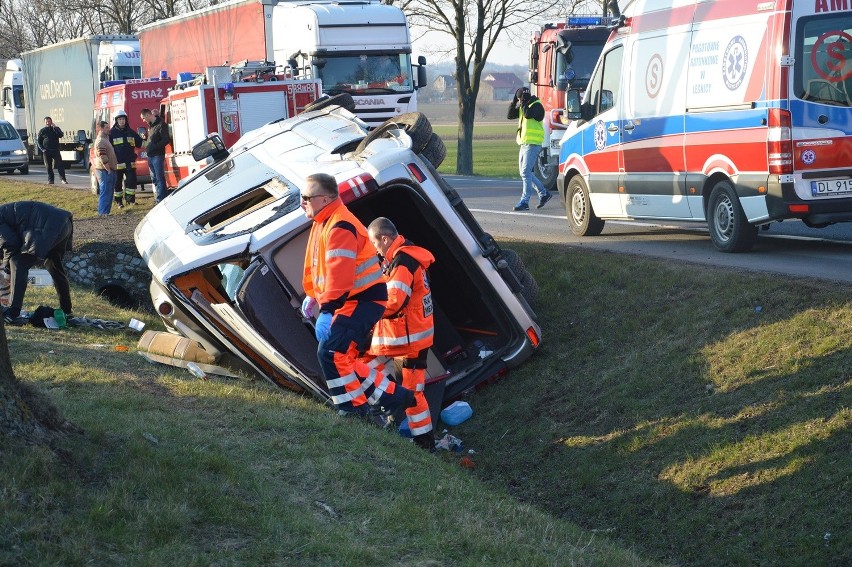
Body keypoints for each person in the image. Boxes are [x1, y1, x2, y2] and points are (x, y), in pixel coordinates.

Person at [300, 173, 416, 419]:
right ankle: (394, 397)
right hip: (356, 300)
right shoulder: (324, 221)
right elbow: (319, 268)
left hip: (363, 301)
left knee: (330, 352)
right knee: (338, 354)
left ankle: (353, 409)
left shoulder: (339, 225)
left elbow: (338, 273)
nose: (302, 202)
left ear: (325, 199)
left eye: (307, 197)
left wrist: (328, 309)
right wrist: (313, 295)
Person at [366, 217, 436, 451]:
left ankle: (424, 444)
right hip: (410, 338)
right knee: (367, 363)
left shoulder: (403, 261)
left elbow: (394, 302)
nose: (374, 249)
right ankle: (394, 412)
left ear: (385, 239)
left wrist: (367, 311)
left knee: (413, 395)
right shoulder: (403, 256)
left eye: (375, 244)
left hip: (410, 341)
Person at [0, 201, 73, 325]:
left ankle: (13, 311)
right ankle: (67, 310)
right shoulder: (4, 212)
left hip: (46, 229)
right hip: (63, 223)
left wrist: (6, 268)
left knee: (17, 263)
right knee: (54, 267)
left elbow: (12, 245)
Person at [507, 87, 552, 211]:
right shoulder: (523, 105)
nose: (520, 100)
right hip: (524, 143)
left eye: (520, 98)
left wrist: (524, 102)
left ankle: (525, 201)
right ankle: (544, 194)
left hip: (533, 143)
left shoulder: (537, 106)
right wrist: (514, 102)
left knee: (525, 172)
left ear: (524, 97)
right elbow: (510, 115)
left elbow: (528, 115)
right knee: (524, 173)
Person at [110, 110, 144, 206]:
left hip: (130, 163)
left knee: (131, 183)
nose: (122, 121)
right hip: (117, 163)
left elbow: (140, 143)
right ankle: (118, 201)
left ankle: (130, 201)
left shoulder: (131, 132)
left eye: (123, 119)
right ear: (116, 121)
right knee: (117, 184)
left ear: (126, 120)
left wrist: (147, 138)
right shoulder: (112, 133)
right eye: (120, 119)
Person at [140, 108, 170, 203]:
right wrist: (146, 139)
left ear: (148, 115)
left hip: (157, 155)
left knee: (159, 177)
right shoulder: (151, 126)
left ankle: (160, 200)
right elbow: (152, 139)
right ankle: (159, 198)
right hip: (150, 155)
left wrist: (154, 147)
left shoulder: (161, 125)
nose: (143, 120)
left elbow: (166, 140)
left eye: (143, 118)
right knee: (154, 179)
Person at [93, 121, 118, 217]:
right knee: (105, 192)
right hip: (104, 170)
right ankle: (102, 213)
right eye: (107, 127)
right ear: (101, 128)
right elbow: (102, 157)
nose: (109, 129)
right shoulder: (100, 141)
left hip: (108, 170)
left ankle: (106, 213)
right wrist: (108, 169)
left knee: (109, 193)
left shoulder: (105, 138)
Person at [37, 117, 67, 185]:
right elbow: (39, 141)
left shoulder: (55, 129)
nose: (48, 123)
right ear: (44, 122)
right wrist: (42, 149)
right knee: (48, 166)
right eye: (46, 121)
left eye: (49, 121)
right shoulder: (42, 130)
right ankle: (51, 180)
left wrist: (55, 127)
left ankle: (63, 179)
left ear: (51, 122)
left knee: (60, 165)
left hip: (55, 150)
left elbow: (60, 135)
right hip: (47, 151)